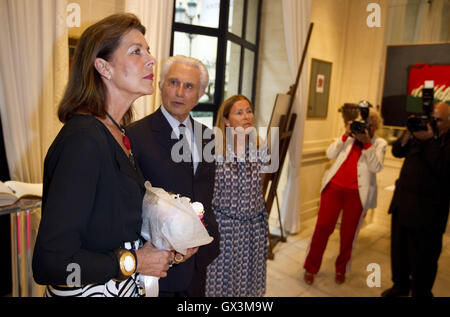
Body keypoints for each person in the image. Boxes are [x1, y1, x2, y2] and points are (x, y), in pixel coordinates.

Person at [32, 13, 173, 297]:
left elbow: (113, 225)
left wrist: (168, 245)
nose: (151, 59)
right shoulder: (83, 139)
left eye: (147, 50)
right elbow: (51, 262)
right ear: (103, 67)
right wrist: (136, 262)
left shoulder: (118, 134)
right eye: (136, 51)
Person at [126, 55, 220, 297]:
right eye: (173, 82)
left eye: (188, 86)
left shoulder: (207, 136)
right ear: (160, 85)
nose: (179, 92)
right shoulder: (135, 136)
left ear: (201, 93)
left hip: (199, 257)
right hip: (161, 262)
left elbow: (204, 192)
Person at [303, 105, 387, 285]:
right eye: (363, 123)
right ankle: (311, 266)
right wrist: (345, 135)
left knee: (348, 235)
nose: (365, 127)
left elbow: (376, 167)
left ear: (375, 126)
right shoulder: (348, 138)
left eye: (370, 125)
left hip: (357, 194)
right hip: (333, 188)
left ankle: (341, 269)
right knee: (322, 228)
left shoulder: (379, 144)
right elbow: (330, 153)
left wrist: (366, 143)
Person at [382, 102, 450, 297]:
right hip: (403, 204)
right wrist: (408, 132)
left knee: (424, 259)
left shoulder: (442, 141)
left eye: (439, 119)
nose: (433, 123)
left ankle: (421, 292)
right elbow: (397, 151)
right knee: (399, 252)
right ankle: (400, 285)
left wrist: (431, 140)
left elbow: (443, 169)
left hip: (429, 213)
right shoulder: (417, 136)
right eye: (432, 118)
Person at [205, 95, 269, 297]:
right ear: (226, 121)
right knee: (221, 283)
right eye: (239, 112)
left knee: (250, 283)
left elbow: (258, 187)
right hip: (225, 229)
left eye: (248, 111)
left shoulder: (260, 147)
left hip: (254, 229)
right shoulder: (214, 150)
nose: (246, 116)